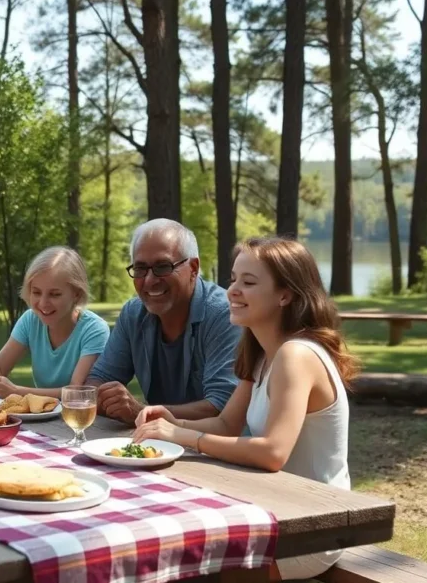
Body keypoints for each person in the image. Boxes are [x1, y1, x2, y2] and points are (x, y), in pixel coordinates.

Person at [132, 236, 358, 581]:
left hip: (312, 526)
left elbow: (272, 453)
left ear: (286, 294)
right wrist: (172, 419)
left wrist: (181, 435)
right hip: (275, 508)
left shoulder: (296, 355)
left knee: (188, 563)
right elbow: (226, 424)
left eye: (248, 283)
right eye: (233, 280)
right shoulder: (263, 352)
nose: (233, 291)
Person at [88, 219, 242, 424]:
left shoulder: (224, 314)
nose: (150, 280)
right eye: (141, 268)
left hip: (217, 451)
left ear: (194, 268)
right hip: (157, 444)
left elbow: (222, 407)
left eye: (163, 267)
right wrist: (106, 398)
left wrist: (142, 412)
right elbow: (97, 380)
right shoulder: (133, 314)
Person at [0, 246, 110, 400]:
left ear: (76, 294)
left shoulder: (94, 329)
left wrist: (16, 391)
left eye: (54, 294)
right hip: (41, 419)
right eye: (36, 292)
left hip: (82, 420)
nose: (43, 303)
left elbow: (76, 393)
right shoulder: (30, 320)